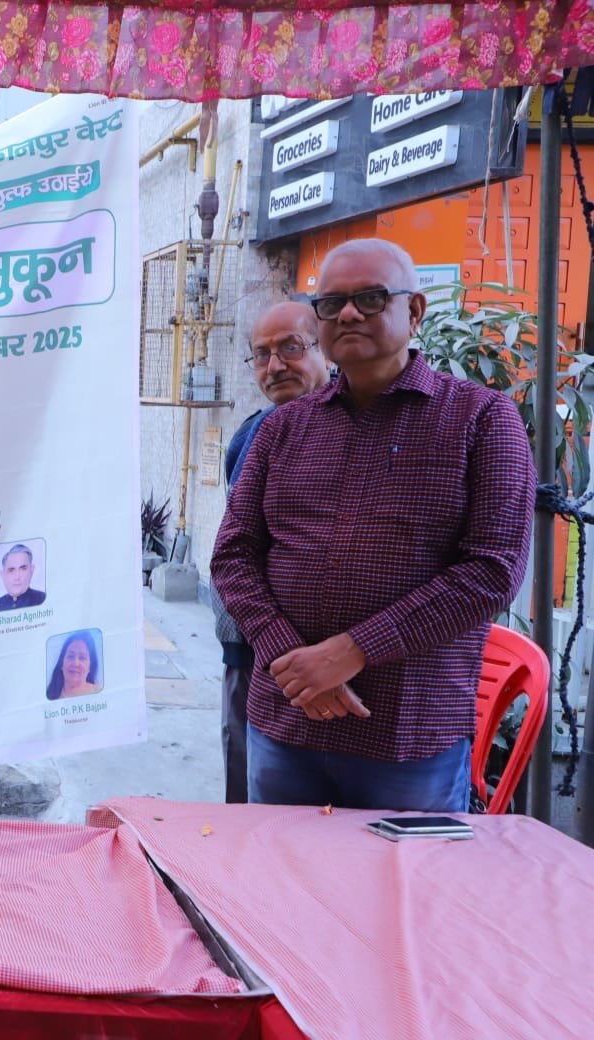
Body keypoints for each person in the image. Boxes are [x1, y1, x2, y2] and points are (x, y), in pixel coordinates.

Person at [212, 239, 534, 812]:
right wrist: (293, 659)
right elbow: (233, 557)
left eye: (370, 297)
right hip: (285, 721)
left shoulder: (482, 418)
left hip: (407, 735)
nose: (350, 314)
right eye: (332, 304)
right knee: (277, 888)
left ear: (413, 312)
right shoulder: (284, 430)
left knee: (401, 893)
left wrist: (352, 650)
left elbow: (493, 570)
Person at [209, 301, 330, 803]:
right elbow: (238, 549)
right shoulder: (254, 433)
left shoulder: (346, 430)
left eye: (291, 348)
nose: (274, 366)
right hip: (252, 648)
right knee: (250, 794)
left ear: (326, 349)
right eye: (261, 355)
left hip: (332, 656)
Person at [0, 543, 47, 612]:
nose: (17, 577)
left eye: (23, 568)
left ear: (32, 570)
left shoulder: (43, 599)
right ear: (2, 575)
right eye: (11, 570)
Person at [46, 631, 102, 699]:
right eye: (71, 656)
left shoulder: (100, 693)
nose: (76, 663)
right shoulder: (49, 696)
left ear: (90, 666)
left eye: (82, 657)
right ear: (62, 663)